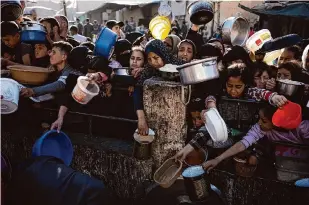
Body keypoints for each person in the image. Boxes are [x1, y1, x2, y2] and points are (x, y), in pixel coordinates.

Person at [202, 105, 309, 172]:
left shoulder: (302, 127)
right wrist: (218, 159)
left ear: (278, 123)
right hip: (281, 167)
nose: (259, 123)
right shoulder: (260, 128)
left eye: (264, 121)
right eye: (259, 119)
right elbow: (242, 144)